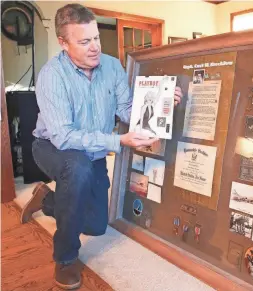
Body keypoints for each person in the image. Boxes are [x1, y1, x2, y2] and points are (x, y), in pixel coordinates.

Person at [20, 4, 182, 290]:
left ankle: (46, 200)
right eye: (84, 42)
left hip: (92, 151)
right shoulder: (51, 76)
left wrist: (163, 102)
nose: (95, 47)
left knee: (96, 224)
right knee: (77, 168)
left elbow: (126, 109)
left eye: (96, 38)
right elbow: (64, 138)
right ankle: (66, 257)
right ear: (63, 43)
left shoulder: (112, 66)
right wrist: (118, 141)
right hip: (51, 147)